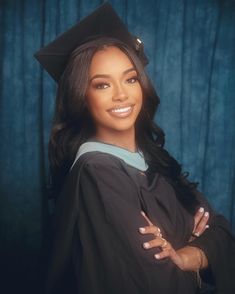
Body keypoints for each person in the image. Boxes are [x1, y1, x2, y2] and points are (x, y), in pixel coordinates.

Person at [34, 3, 235, 294]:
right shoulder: (97, 173)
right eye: (102, 85)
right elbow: (149, 281)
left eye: (130, 79)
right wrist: (192, 247)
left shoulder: (154, 160)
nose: (121, 95)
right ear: (81, 96)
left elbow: (222, 233)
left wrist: (185, 256)